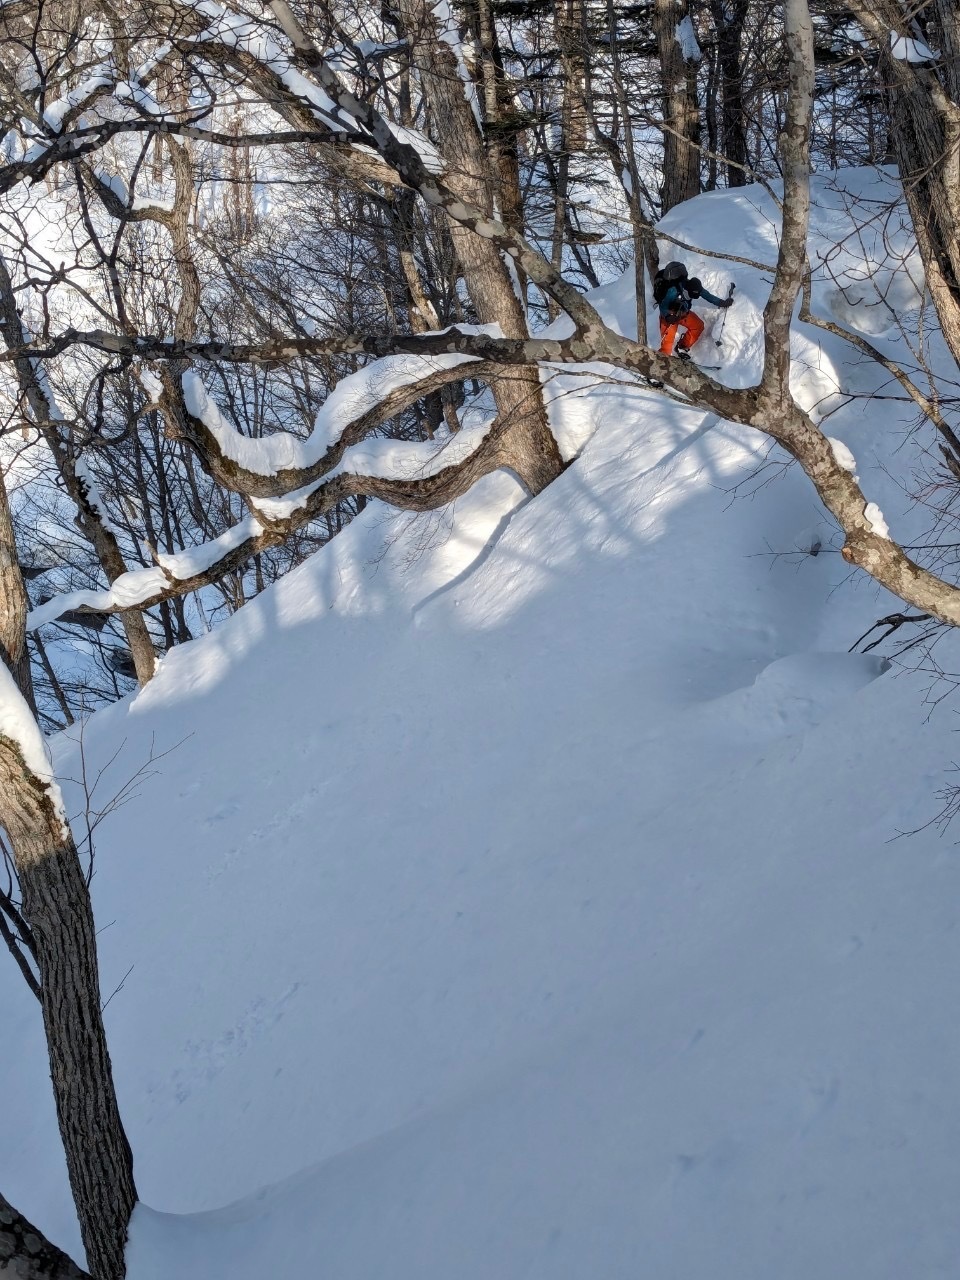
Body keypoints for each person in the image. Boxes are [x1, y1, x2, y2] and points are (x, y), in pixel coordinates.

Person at [654, 261, 733, 360]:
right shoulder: (672, 291)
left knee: (698, 326)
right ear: (685, 290)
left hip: (683, 313)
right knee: (667, 346)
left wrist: (722, 303)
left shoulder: (694, 287)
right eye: (690, 295)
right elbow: (663, 306)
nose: (691, 297)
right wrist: (667, 316)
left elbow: (707, 295)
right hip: (669, 316)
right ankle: (661, 363)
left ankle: (682, 347)